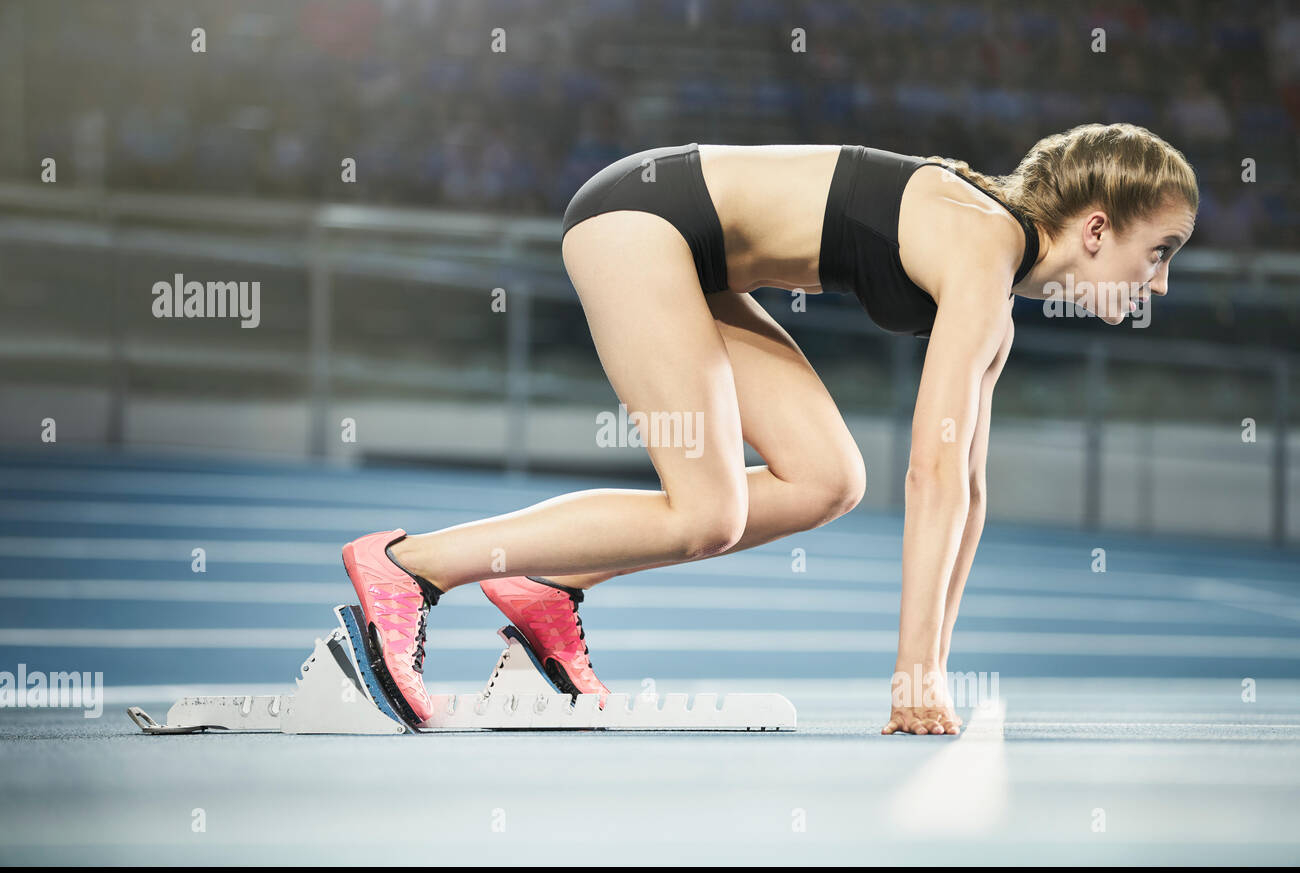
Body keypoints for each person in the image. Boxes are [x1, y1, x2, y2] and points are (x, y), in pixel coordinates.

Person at [342, 121, 1198, 736]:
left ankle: (545, 586)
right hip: (638, 222)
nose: (1158, 285)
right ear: (1096, 228)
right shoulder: (984, 252)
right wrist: (916, 676)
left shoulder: (995, 283)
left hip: (695, 251)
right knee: (705, 512)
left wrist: (927, 670)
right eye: (1159, 252)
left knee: (829, 477)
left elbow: (966, 491)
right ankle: (412, 568)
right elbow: (930, 478)